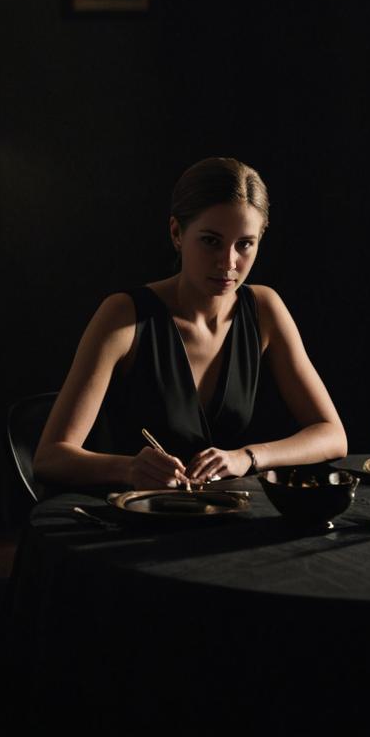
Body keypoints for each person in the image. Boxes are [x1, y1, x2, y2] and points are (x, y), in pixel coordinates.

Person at [33, 157, 347, 491]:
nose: (228, 263)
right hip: (137, 521)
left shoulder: (264, 309)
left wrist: (248, 457)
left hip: (224, 517)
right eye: (211, 240)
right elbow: (50, 459)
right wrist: (128, 469)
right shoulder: (124, 316)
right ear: (176, 233)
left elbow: (332, 435)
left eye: (245, 244)